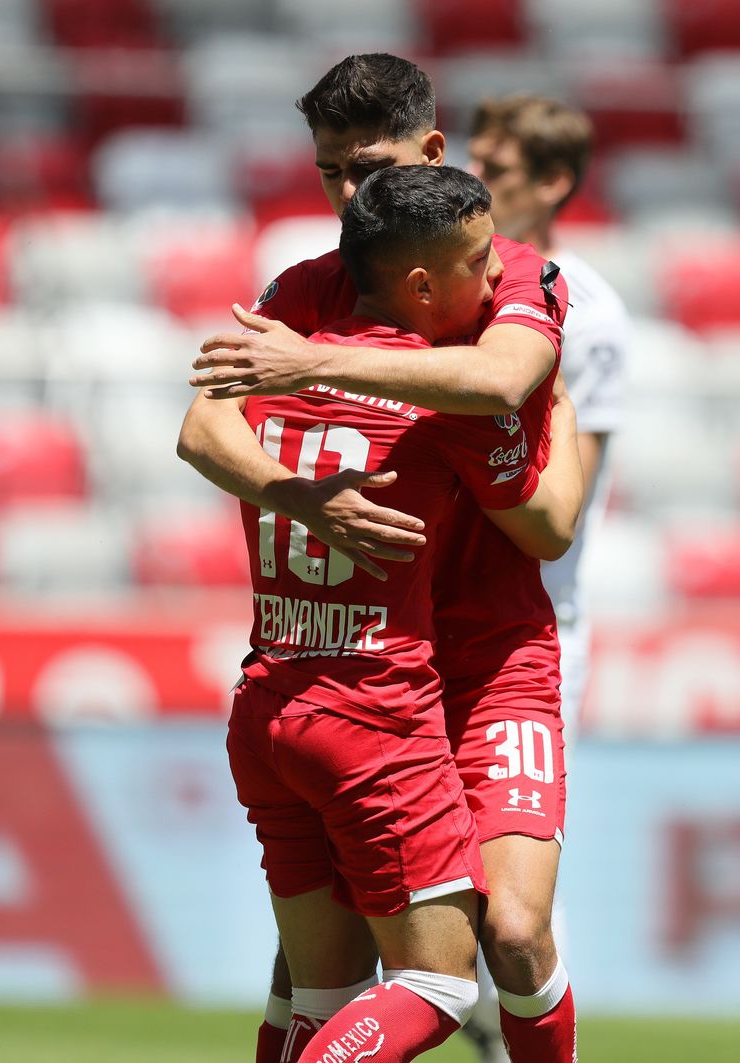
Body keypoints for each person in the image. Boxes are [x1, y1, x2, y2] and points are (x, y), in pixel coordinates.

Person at [178, 54, 579, 1063]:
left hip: (484, 659)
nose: (352, 199)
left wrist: (311, 361)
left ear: (435, 156)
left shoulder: (500, 271)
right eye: (330, 175)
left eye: (371, 169)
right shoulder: (310, 285)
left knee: (516, 934)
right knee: (338, 972)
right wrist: (297, 495)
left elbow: (514, 419)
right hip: (360, 666)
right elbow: (201, 427)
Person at [460, 95, 630, 1063]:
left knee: (508, 908)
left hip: (533, 625)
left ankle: (495, 1026)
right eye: (476, 159)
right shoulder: (450, 286)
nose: (483, 180)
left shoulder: (590, 315)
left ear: (556, 183)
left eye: (505, 166)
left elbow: (562, 504)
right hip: (432, 618)